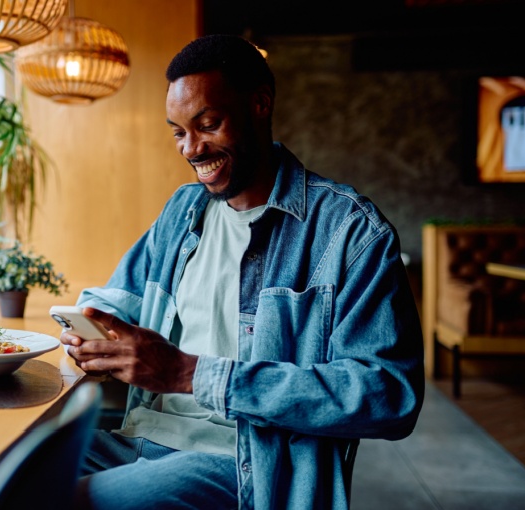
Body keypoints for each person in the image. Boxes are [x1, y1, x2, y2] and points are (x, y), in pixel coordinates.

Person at [60, 34, 425, 509]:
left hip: (245, 463)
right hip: (139, 437)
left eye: (208, 124)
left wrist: (190, 374)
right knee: (9, 475)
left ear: (259, 104)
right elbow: (122, 296)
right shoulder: (182, 210)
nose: (191, 149)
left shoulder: (350, 232)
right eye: (177, 131)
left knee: (81, 502)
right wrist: (88, 327)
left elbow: (389, 395)